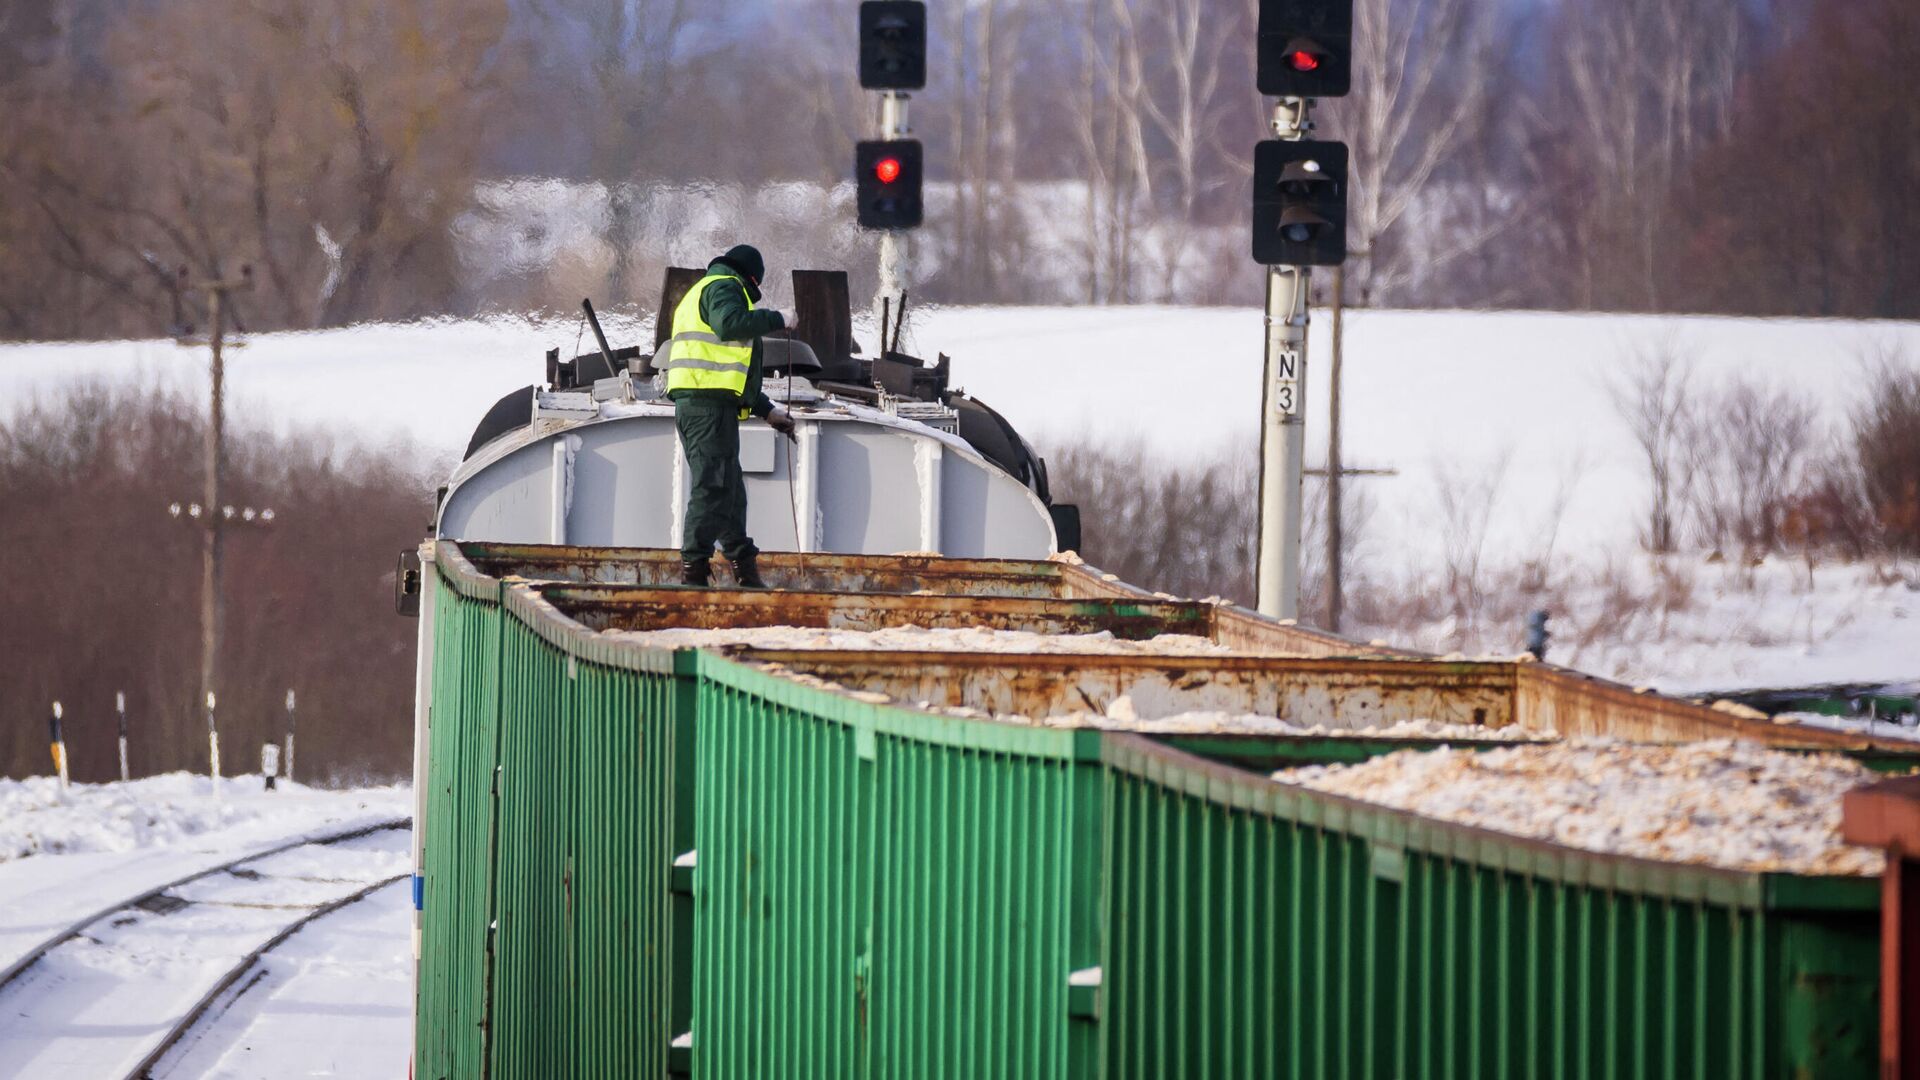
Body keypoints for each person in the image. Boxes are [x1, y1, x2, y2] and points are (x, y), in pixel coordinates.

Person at [659, 244, 797, 587]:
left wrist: (768, 412)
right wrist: (777, 318)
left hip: (709, 405)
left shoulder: (707, 290)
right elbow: (730, 324)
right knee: (712, 488)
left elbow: (728, 372)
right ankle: (693, 572)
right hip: (706, 408)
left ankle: (744, 570)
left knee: (729, 492)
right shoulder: (723, 287)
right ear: (750, 277)